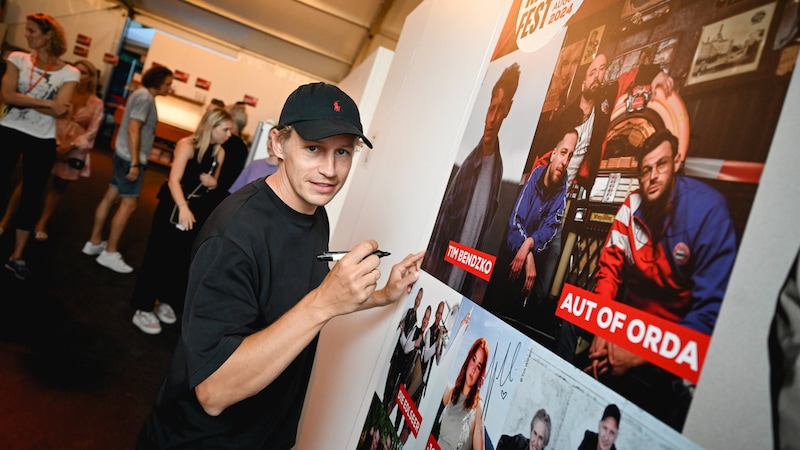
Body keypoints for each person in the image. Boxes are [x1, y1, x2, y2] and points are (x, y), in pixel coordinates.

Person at [135, 82, 424, 448]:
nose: (330, 170)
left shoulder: (313, 212)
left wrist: (384, 294)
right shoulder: (234, 236)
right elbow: (213, 390)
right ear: (277, 144)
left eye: (343, 153)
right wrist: (323, 304)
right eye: (313, 149)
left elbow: (296, 297)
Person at [582, 130, 738, 429]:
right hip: (628, 329)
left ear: (677, 162)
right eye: (646, 169)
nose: (653, 176)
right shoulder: (631, 206)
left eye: (661, 165)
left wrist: (644, 352)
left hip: (675, 345)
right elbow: (608, 271)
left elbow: (710, 314)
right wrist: (603, 323)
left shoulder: (709, 211)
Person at [129, 108, 233, 335]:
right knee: (157, 254)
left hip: (197, 208)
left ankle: (165, 298)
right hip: (174, 205)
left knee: (181, 258)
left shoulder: (220, 152)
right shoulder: (187, 145)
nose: (228, 134)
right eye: (224, 129)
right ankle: (143, 306)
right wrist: (183, 208)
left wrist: (213, 184)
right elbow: (173, 180)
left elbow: (215, 183)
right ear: (212, 126)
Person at [424, 62, 521, 297]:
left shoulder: (498, 170)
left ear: (508, 110)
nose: (492, 119)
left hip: (460, 291)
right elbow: (440, 234)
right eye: (491, 109)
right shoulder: (468, 168)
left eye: (499, 110)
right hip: (440, 284)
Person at [0, 13, 79, 280]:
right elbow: (7, 95)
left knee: (32, 197)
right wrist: (47, 103)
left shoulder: (71, 72)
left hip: (42, 139)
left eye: (33, 31)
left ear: (48, 36)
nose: (27, 35)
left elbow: (62, 111)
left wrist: (33, 102)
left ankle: (17, 256)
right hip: (9, 129)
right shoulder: (17, 59)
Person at [534, 53, 674, 192]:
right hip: (545, 187)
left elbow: (629, 77)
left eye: (601, 69)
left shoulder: (604, 102)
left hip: (570, 190)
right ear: (583, 85)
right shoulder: (566, 116)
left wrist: (656, 73)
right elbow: (543, 156)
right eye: (592, 72)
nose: (596, 76)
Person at [81, 65, 174, 273]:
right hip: (129, 158)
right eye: (168, 84)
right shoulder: (145, 98)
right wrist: (134, 162)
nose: (170, 88)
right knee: (129, 205)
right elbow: (134, 128)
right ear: (158, 81)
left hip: (123, 154)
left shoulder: (141, 95)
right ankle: (110, 252)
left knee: (111, 195)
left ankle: (94, 242)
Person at [0, 59, 103, 242]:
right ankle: (5, 220)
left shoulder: (96, 103)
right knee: (28, 181)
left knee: (59, 186)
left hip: (73, 147)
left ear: (91, 78)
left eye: (84, 73)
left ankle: (41, 223)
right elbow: (42, 114)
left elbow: (93, 131)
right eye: (76, 71)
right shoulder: (60, 91)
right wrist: (53, 143)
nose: (79, 76)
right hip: (48, 138)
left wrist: (70, 146)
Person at [483, 129, 577, 319]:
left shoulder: (562, 193)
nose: (565, 162)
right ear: (553, 154)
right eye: (563, 152)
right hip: (508, 253)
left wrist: (529, 244)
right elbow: (515, 221)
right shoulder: (535, 177)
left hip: (530, 258)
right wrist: (528, 254)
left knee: (523, 304)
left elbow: (549, 230)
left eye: (571, 156)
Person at [432, 337, 489, 450]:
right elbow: (438, 369)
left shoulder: (477, 408)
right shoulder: (452, 393)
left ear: (480, 374)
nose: (473, 369)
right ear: (468, 360)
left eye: (478, 366)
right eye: (473, 359)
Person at [383, 287, 423, 410]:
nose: (417, 301)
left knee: (393, 390)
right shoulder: (407, 311)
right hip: (396, 356)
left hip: (403, 361)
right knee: (388, 386)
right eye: (417, 298)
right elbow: (397, 324)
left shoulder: (416, 323)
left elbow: (407, 346)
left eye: (419, 300)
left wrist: (402, 333)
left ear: (420, 302)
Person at [229, 123, 279, 193]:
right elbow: (235, 192)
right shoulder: (255, 164)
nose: (270, 143)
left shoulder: (282, 171)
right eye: (269, 138)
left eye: (275, 140)